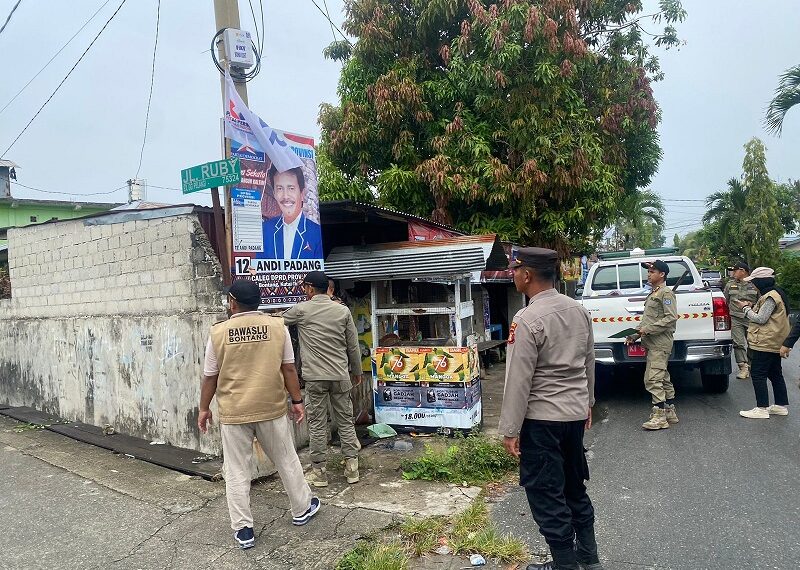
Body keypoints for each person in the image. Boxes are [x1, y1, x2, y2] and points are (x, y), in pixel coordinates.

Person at [499, 247, 603, 570]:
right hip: (573, 417)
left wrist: (509, 431)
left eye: (515, 269)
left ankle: (566, 566)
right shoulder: (579, 310)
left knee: (547, 495)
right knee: (574, 487)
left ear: (527, 274)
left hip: (542, 422)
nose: (512, 274)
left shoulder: (527, 319)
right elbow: (589, 361)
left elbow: (518, 381)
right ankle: (588, 558)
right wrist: (588, 403)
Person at [198, 279, 320, 549]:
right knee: (286, 459)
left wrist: (204, 408)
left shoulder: (218, 332)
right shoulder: (278, 327)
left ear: (232, 302)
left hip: (234, 412)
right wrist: (297, 400)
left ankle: (243, 530)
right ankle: (302, 509)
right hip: (271, 408)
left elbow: (210, 377)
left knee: (237, 470)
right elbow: (289, 369)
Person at [282, 271, 363, 487]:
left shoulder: (301, 310)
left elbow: (278, 321)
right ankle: (352, 468)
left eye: (304, 287)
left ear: (309, 288)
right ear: (327, 288)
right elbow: (353, 346)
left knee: (317, 425)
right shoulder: (342, 311)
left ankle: (319, 472)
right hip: (340, 376)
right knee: (346, 422)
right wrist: (357, 372)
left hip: (315, 379)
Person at [625, 260, 679, 430]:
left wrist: (646, 330)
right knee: (662, 377)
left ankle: (659, 416)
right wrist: (634, 335)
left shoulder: (666, 293)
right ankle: (670, 411)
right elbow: (647, 320)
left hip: (660, 343)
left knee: (652, 378)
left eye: (652, 271)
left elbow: (670, 319)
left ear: (662, 274)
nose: (649, 274)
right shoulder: (654, 293)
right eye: (648, 271)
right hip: (652, 343)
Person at [736, 267, 790, 419]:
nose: (753, 285)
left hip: (765, 342)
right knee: (775, 373)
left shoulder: (770, 297)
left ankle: (761, 408)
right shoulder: (777, 293)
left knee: (758, 373)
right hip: (774, 341)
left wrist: (746, 308)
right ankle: (780, 406)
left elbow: (761, 318)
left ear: (761, 281)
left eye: (753, 282)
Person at [258, 165, 323, 260]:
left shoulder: (316, 233)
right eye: (280, 188)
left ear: (302, 194)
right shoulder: (265, 230)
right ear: (274, 194)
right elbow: (254, 268)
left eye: (291, 188)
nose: (285, 196)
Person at [724, 262, 759, 379]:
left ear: (743, 271)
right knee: (738, 343)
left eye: (735, 271)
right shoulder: (730, 285)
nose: (733, 273)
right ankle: (743, 367)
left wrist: (752, 304)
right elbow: (726, 301)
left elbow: (761, 301)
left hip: (752, 318)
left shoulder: (755, 284)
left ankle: (751, 365)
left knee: (753, 343)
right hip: (735, 318)